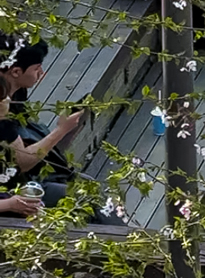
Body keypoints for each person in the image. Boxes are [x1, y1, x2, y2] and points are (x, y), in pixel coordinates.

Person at [0, 37, 126, 222]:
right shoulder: (2, 113)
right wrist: (61, 130)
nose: (42, 73)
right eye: (36, 68)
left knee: (94, 189)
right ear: (16, 71)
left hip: (29, 175)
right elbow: (23, 161)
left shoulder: (16, 90)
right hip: (17, 188)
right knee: (89, 200)